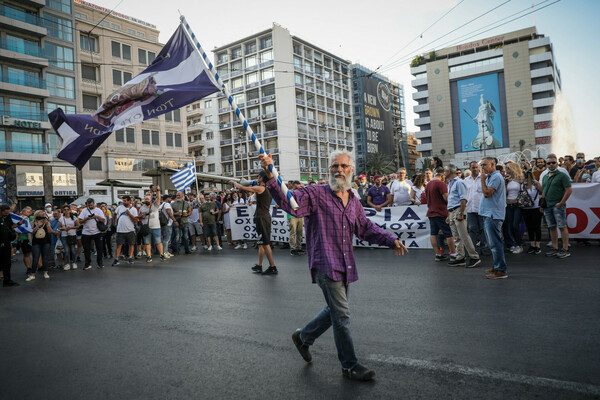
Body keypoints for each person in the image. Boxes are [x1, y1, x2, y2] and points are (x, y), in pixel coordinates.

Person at [260, 149, 407, 381]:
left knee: (335, 311)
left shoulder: (354, 201)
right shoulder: (316, 193)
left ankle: (303, 337)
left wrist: (391, 240)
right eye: (334, 166)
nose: (338, 170)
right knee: (342, 316)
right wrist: (270, 173)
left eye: (343, 166)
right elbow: (291, 202)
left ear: (352, 171)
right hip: (325, 263)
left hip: (345, 263)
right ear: (329, 170)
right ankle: (349, 365)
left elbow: (366, 228)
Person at [230, 171, 277, 274]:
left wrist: (234, 182)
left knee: (265, 243)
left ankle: (272, 267)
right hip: (262, 216)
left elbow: (242, 188)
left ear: (261, 178)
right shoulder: (267, 189)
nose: (257, 178)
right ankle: (259, 265)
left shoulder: (261, 188)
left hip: (262, 218)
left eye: (258, 177)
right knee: (261, 243)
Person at [445, 164, 480, 267]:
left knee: (463, 235)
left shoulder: (459, 183)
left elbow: (463, 199)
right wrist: (448, 215)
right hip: (452, 211)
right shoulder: (450, 183)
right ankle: (460, 257)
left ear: (449, 172)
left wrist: (461, 213)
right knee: (456, 237)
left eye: (445, 171)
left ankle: (474, 257)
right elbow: (451, 200)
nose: (444, 173)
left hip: (458, 210)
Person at [479, 157, 508, 279]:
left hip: (493, 215)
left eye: (484, 165)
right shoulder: (492, 176)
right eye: (481, 165)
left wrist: (482, 180)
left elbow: (486, 193)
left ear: (492, 164)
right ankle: (497, 266)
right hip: (490, 214)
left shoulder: (495, 177)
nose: (482, 168)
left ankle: (501, 270)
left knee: (495, 243)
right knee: (493, 243)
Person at [542, 154, 572, 259]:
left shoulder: (562, 175)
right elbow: (544, 191)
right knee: (552, 227)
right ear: (546, 164)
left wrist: (562, 203)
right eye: (548, 163)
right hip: (547, 205)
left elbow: (569, 190)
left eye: (553, 162)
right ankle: (554, 248)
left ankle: (565, 249)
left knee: (562, 227)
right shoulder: (545, 176)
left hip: (557, 205)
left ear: (557, 163)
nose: (551, 164)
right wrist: (542, 204)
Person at [423, 171, 456, 261]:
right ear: (442, 176)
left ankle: (438, 254)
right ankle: (453, 254)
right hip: (441, 212)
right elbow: (446, 198)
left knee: (433, 234)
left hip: (431, 212)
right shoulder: (441, 184)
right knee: (449, 233)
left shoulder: (428, 184)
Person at [464, 161, 488, 254]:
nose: (475, 169)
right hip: (470, 208)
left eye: (476, 167)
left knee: (483, 229)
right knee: (471, 229)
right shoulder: (466, 180)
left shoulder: (483, 178)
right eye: (473, 167)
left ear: (478, 168)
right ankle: (472, 249)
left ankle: (483, 248)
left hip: (481, 208)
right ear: (470, 169)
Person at [27, 210, 56, 281]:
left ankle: (45, 272)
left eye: (43, 216)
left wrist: (47, 224)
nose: (41, 217)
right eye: (39, 216)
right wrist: (37, 225)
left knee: (45, 258)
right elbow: (32, 232)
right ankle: (33, 274)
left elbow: (49, 231)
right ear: (36, 216)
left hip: (46, 242)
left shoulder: (46, 222)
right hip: (36, 242)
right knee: (35, 258)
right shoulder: (32, 222)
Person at [78, 198, 106, 270]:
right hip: (86, 232)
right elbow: (80, 221)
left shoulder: (98, 210)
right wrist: (87, 218)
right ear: (86, 204)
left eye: (91, 205)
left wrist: (96, 217)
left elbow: (103, 220)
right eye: (89, 205)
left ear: (94, 203)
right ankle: (87, 264)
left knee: (99, 248)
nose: (90, 206)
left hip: (97, 232)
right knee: (86, 249)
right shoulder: (84, 210)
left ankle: (99, 263)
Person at [504, 162, 525, 254]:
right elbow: (505, 193)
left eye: (508, 168)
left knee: (515, 225)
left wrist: (520, 182)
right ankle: (515, 244)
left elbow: (523, 190)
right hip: (508, 204)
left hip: (517, 204)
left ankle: (519, 244)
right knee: (510, 226)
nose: (506, 171)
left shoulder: (520, 177)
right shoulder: (507, 179)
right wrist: (505, 183)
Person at [139, 190, 166, 262]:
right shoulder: (142, 207)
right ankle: (149, 256)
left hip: (156, 227)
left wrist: (158, 191)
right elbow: (139, 216)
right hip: (146, 227)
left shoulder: (155, 205)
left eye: (147, 199)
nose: (146, 200)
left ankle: (161, 255)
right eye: (145, 199)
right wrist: (142, 216)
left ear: (151, 200)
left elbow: (159, 198)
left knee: (158, 242)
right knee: (147, 243)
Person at [520, 171, 543, 254]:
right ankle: (532, 244)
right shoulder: (522, 185)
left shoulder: (535, 184)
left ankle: (538, 245)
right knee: (529, 227)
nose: (521, 178)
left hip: (536, 208)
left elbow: (542, 190)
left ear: (527, 177)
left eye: (522, 177)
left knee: (537, 227)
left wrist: (537, 184)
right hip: (526, 208)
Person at [112, 196, 138, 266]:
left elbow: (136, 220)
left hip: (130, 230)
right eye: (123, 201)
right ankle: (116, 259)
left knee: (131, 244)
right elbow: (114, 214)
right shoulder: (119, 207)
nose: (124, 202)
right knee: (119, 245)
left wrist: (129, 214)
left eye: (125, 201)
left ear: (129, 201)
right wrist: (115, 222)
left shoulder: (133, 209)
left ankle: (130, 257)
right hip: (120, 230)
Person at [1, 204, 19, 287]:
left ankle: (7, 280)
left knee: (7, 263)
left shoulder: (7, 218)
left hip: (7, 243)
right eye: (5, 213)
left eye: (8, 213)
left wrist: (19, 224)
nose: (7, 215)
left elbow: (11, 226)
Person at [58, 205, 79, 270]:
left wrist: (71, 228)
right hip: (64, 235)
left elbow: (78, 225)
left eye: (67, 209)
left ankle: (74, 262)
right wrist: (64, 229)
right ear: (63, 211)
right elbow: (59, 227)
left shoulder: (74, 217)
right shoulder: (61, 218)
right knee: (66, 250)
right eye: (65, 210)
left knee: (73, 250)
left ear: (70, 210)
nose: (66, 211)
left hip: (72, 235)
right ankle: (68, 263)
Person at [159, 194, 177, 259]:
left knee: (166, 238)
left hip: (164, 223)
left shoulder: (161, 205)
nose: (170, 200)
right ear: (167, 199)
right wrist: (174, 220)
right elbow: (169, 212)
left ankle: (166, 251)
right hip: (168, 223)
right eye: (169, 198)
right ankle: (165, 252)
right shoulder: (166, 204)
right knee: (167, 238)